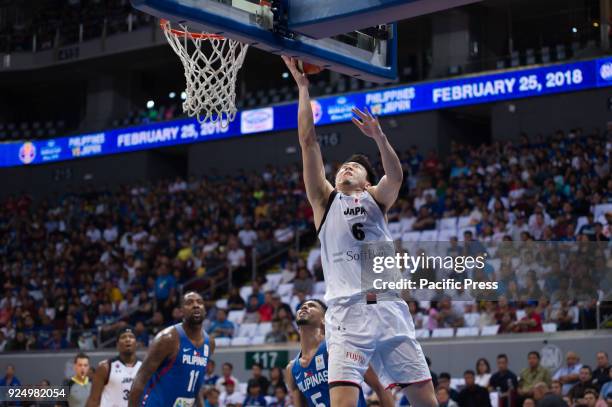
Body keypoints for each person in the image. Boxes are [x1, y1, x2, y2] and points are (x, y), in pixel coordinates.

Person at [282, 55, 435, 407]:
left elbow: (395, 176)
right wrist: (303, 87)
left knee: (426, 402)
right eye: (342, 167)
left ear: (367, 182)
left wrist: (379, 136)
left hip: (388, 310)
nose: (346, 168)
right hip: (346, 316)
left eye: (354, 167)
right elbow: (308, 142)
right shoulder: (324, 200)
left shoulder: (376, 200)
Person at [285, 299, 394, 407]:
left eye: (311, 306)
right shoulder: (292, 369)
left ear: (324, 320)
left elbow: (381, 387)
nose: (304, 307)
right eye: (302, 306)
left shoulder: (340, 346)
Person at [128, 291, 215, 407]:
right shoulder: (167, 339)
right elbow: (140, 379)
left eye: (199, 302)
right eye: (189, 303)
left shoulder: (210, 343)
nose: (195, 305)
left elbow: (196, 382)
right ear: (181, 311)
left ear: (205, 309)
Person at [86, 327, 142, 407]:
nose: (128, 339)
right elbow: (93, 400)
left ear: (136, 343)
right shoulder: (105, 368)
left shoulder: (144, 368)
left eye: (131, 337)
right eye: (123, 337)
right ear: (117, 345)